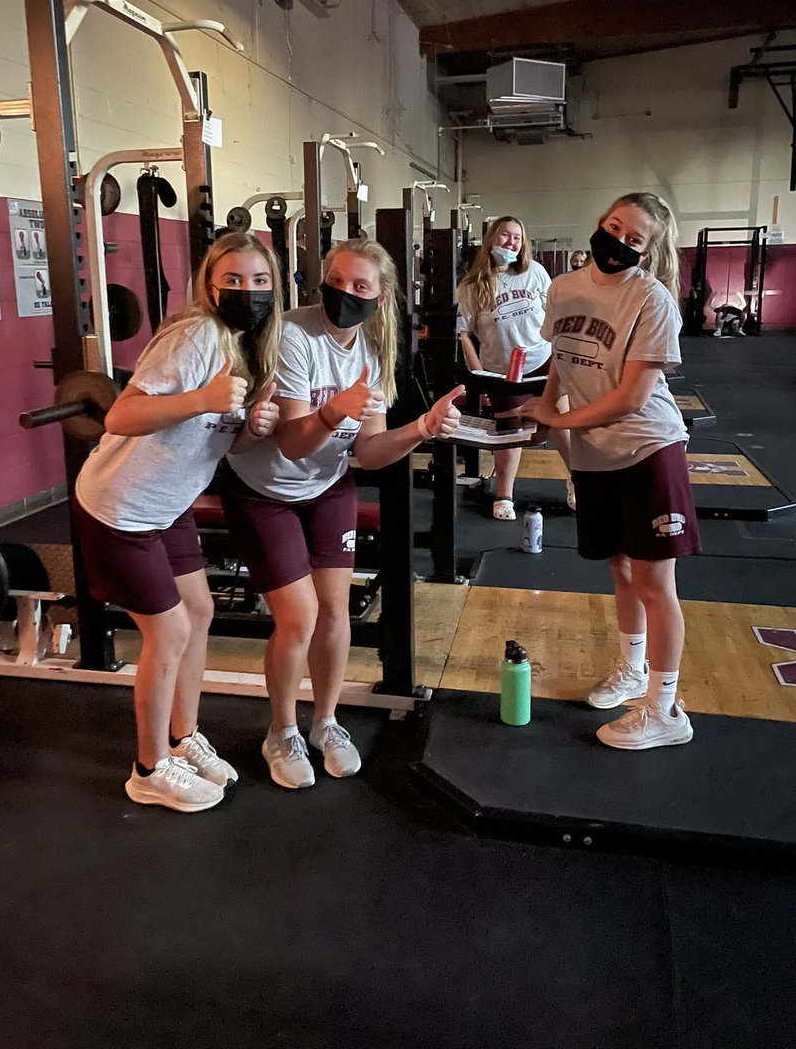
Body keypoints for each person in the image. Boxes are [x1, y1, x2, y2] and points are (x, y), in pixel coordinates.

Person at [219, 237, 463, 789]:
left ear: (380, 297)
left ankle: (325, 722)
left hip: (327, 487)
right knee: (299, 616)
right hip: (265, 489)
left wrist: (422, 428)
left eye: (360, 286)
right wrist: (336, 409)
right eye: (337, 281)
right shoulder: (293, 335)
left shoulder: (373, 351)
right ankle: (281, 730)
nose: (345, 293)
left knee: (335, 611)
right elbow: (293, 444)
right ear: (321, 280)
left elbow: (370, 451)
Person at [72, 231, 283, 811]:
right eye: (233, 280)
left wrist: (250, 428)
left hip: (166, 507)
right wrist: (202, 400)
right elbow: (121, 413)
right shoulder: (198, 335)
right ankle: (149, 768)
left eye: (259, 281)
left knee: (199, 611)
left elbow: (214, 439)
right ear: (209, 286)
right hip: (121, 507)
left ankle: (182, 737)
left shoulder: (249, 346)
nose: (248, 291)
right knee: (168, 631)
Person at [521, 192, 700, 750]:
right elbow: (562, 362)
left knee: (654, 582)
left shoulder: (651, 300)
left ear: (648, 251)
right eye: (614, 227)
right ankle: (631, 670)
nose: (618, 241)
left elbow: (632, 397)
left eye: (634, 239)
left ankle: (665, 708)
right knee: (621, 571)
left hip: (649, 448)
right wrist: (545, 418)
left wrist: (558, 416)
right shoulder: (563, 287)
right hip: (593, 453)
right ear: (600, 222)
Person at [457, 215, 573, 519]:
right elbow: (464, 334)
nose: (511, 242)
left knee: (560, 419)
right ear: (492, 240)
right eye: (505, 236)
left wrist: (562, 353)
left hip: (542, 360)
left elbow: (555, 315)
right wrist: (478, 373)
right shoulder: (473, 285)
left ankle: (578, 480)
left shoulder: (535, 272)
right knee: (509, 431)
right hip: (502, 370)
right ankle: (504, 495)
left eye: (517, 238)